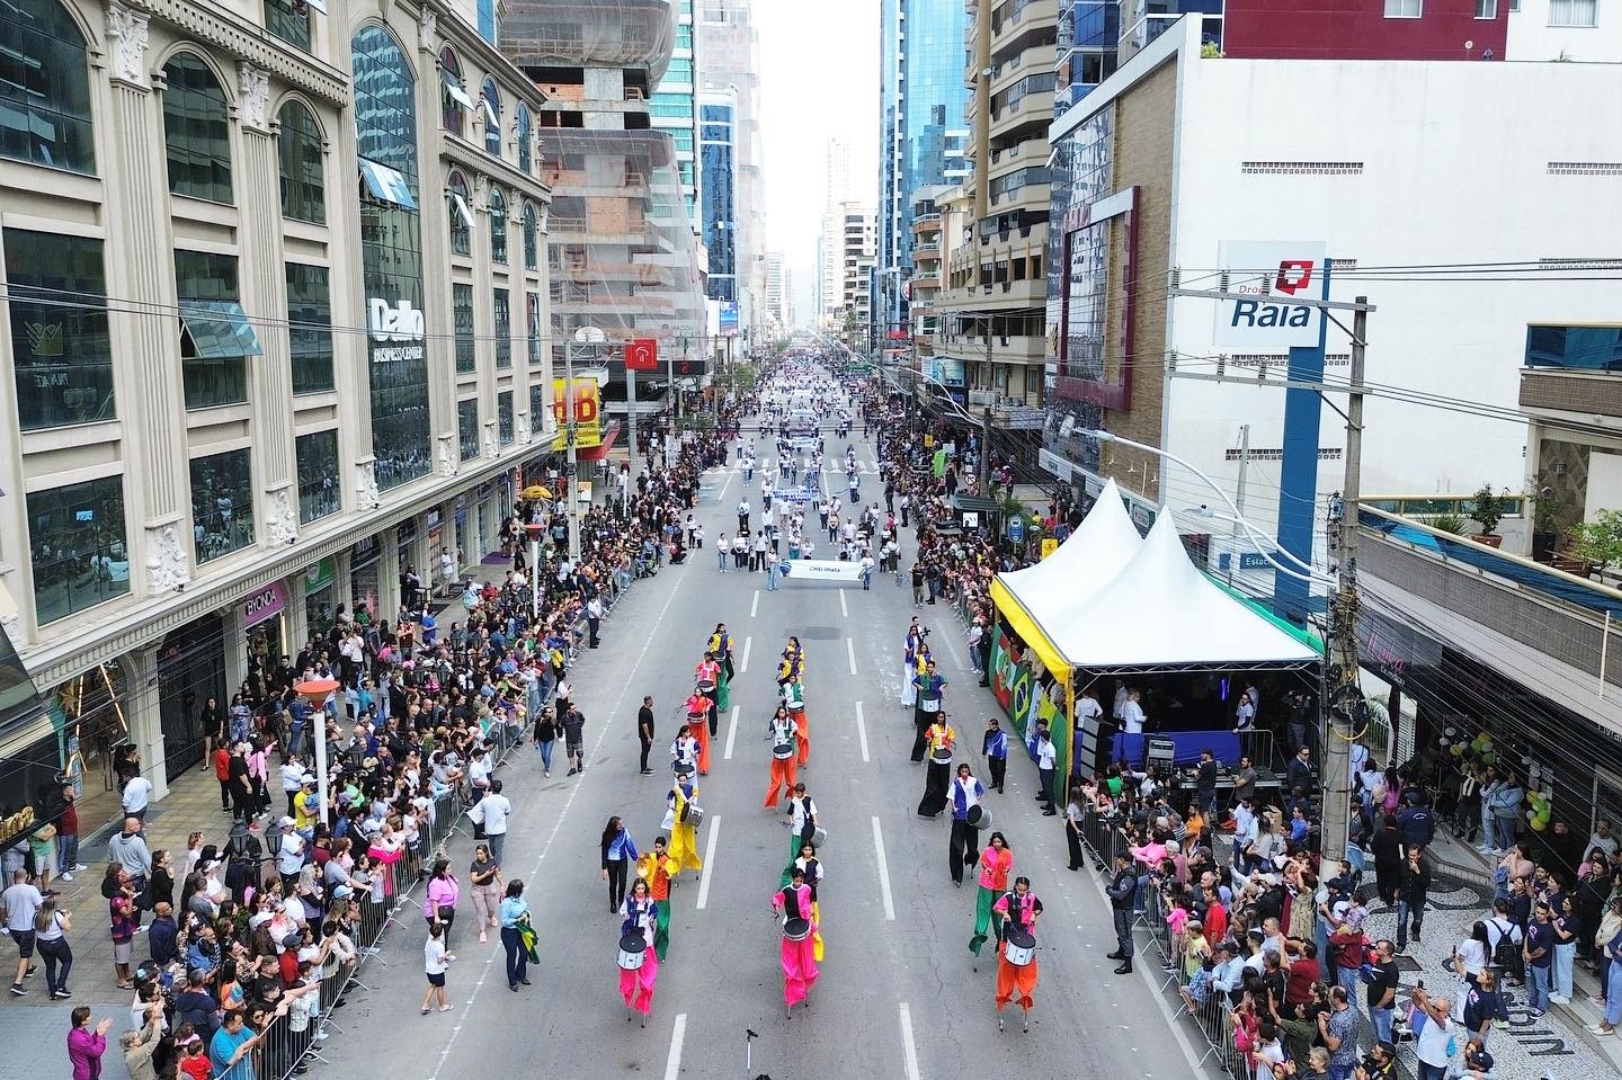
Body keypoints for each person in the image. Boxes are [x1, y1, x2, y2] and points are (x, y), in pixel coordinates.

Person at [993, 877, 1043, 1030]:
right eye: (1019, 889)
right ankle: (1003, 998)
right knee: (1005, 975)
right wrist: (1004, 914)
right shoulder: (1008, 897)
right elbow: (996, 908)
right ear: (1015, 886)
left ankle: (1025, 997)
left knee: (1027, 976)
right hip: (1008, 940)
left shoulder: (1032, 898)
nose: (1021, 892)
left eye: (1024, 890)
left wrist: (1035, 914)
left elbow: (1039, 908)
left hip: (1026, 940)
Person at [772, 866, 819, 1016]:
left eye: (800, 880)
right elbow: (777, 898)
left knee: (806, 961)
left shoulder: (807, 889)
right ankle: (793, 991)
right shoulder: (786, 890)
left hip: (804, 928)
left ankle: (804, 986)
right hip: (791, 927)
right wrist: (776, 907)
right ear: (792, 879)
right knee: (790, 964)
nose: (798, 883)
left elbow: (809, 905)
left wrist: (809, 915)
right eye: (796, 880)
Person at [617, 878, 660, 1024]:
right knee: (627, 975)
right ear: (635, 889)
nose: (640, 891)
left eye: (642, 888)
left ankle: (644, 1002)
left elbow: (655, 912)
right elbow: (622, 911)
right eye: (638, 888)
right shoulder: (629, 900)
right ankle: (628, 997)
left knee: (647, 979)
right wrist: (627, 916)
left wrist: (651, 917)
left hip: (645, 941)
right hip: (630, 941)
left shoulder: (649, 901)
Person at [970, 833, 1013, 959]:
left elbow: (1009, 865)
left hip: (1000, 886)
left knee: (998, 914)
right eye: (995, 842)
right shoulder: (988, 851)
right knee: (983, 910)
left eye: (999, 842)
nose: (997, 844)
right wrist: (987, 869)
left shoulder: (1007, 853)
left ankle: (1000, 940)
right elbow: (983, 862)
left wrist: (1006, 871)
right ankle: (980, 934)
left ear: (1002, 842)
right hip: (986, 884)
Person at [635, 837, 678, 962]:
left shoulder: (668, 861)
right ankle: (646, 950)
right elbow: (644, 870)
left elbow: (671, 875)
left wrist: (665, 871)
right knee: (645, 925)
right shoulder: (651, 857)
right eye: (656, 847)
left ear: (664, 847)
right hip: (651, 897)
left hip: (663, 897)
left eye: (660, 847)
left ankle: (661, 951)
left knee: (663, 926)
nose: (658, 849)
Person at [3, 866, 43, 996]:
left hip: (13, 927)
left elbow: (2, 910)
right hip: (26, 926)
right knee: (24, 954)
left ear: (15, 878)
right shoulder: (31, 889)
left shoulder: (7, 892)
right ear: (26, 877)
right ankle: (17, 983)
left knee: (24, 947)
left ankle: (29, 968)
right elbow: (40, 906)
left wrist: (4, 921)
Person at [949, 763, 986, 886]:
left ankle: (971, 861)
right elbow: (951, 796)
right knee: (957, 848)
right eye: (962, 771)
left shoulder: (974, 781)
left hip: (971, 818)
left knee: (972, 847)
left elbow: (980, 792)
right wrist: (954, 807)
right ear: (960, 772)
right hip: (959, 818)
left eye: (966, 771)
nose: (964, 773)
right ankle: (957, 876)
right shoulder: (956, 782)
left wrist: (977, 801)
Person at [916, 715, 956, 818]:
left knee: (943, 785)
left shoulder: (948, 728)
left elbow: (951, 737)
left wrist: (949, 741)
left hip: (944, 759)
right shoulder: (933, 727)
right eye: (939, 717)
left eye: (942, 717)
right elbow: (927, 735)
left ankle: (940, 805)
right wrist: (929, 739)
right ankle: (927, 809)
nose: (940, 719)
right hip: (934, 758)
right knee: (932, 784)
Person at [1106, 852, 1138, 974]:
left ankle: (1128, 963)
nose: (1115, 861)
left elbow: (1120, 894)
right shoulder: (1123, 872)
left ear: (1122, 860)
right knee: (1120, 931)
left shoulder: (1129, 876)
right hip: (1120, 908)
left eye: (1117, 859)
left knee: (1125, 934)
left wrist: (1109, 890)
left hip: (1124, 909)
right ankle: (1121, 952)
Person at [666, 778, 704, 877]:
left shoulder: (690, 788)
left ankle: (692, 863)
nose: (682, 782)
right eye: (681, 780)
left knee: (690, 845)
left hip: (688, 820)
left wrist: (692, 797)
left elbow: (696, 791)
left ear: (686, 781)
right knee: (675, 846)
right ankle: (673, 867)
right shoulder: (675, 789)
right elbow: (669, 797)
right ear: (678, 781)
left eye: (684, 780)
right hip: (678, 820)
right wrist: (670, 805)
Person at [499, 879, 533, 992]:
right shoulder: (506, 903)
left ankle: (521, 974)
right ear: (517, 891)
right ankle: (512, 981)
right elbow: (504, 921)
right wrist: (517, 920)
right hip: (510, 932)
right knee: (512, 955)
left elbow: (526, 909)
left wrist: (527, 916)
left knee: (524, 952)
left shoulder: (520, 899)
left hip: (521, 929)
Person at [601, 816, 639, 914]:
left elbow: (629, 845)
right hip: (611, 861)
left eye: (622, 823)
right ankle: (612, 902)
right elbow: (604, 851)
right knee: (613, 883)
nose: (622, 825)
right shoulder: (606, 835)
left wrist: (636, 858)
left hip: (622, 860)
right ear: (614, 826)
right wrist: (604, 868)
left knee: (623, 881)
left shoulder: (625, 831)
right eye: (619, 824)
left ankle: (621, 899)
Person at [764, 708, 799, 809]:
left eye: (783, 712)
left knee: (791, 779)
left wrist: (792, 732)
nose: (782, 714)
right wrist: (770, 736)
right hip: (779, 752)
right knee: (776, 780)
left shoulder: (789, 721)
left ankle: (793, 797)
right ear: (778, 713)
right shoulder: (774, 722)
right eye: (780, 712)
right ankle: (772, 801)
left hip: (789, 751)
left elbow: (796, 728)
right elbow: (771, 732)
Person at [67, 1007, 113, 1080]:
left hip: (86, 1072)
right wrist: (101, 1035)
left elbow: (89, 1043)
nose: (90, 1017)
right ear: (82, 1021)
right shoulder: (79, 1038)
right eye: (88, 1016)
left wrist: (97, 1032)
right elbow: (96, 1052)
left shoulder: (78, 1032)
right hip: (88, 1074)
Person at [468, 844, 502, 945]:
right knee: (480, 910)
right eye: (477, 853)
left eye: (481, 853)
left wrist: (502, 884)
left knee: (491, 907)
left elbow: (497, 873)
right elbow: (474, 879)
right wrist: (485, 874)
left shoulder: (492, 862)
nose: (479, 855)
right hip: (477, 889)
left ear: (486, 853)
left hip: (489, 886)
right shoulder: (475, 864)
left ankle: (491, 916)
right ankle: (482, 931)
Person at [422, 921, 450, 1015]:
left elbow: (425, 951)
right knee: (440, 987)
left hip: (429, 969)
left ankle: (425, 1004)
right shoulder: (440, 946)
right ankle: (442, 1005)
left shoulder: (428, 942)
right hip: (437, 970)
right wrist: (446, 954)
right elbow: (439, 960)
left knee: (433, 985)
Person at [1034, 726, 1058, 816]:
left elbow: (1054, 760)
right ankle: (1049, 804)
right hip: (1043, 769)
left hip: (1047, 771)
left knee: (1048, 789)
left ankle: (1052, 809)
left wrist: (1054, 766)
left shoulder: (1050, 748)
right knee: (1045, 786)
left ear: (1043, 738)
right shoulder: (1046, 746)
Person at [982, 717, 1008, 795]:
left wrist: (1003, 756)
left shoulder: (1002, 734)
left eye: (991, 725)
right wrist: (984, 752)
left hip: (1000, 756)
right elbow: (985, 742)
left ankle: (1000, 785)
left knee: (1000, 770)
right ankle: (994, 782)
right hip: (991, 754)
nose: (989, 726)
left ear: (995, 725)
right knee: (992, 768)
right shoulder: (988, 733)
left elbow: (1004, 746)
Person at [563, 705, 587, 776]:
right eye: (573, 709)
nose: (574, 710)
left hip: (578, 738)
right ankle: (572, 768)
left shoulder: (579, 714)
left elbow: (583, 720)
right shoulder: (564, 717)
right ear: (568, 710)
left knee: (580, 753)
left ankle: (579, 760)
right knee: (570, 754)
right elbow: (562, 724)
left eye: (575, 708)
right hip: (569, 739)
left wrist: (578, 726)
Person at [637, 695, 656, 775]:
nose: (652, 702)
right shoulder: (644, 712)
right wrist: (648, 737)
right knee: (644, 751)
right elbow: (644, 725)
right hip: (645, 736)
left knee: (646, 751)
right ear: (648, 701)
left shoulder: (646, 710)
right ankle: (643, 769)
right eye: (651, 700)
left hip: (648, 736)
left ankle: (645, 767)